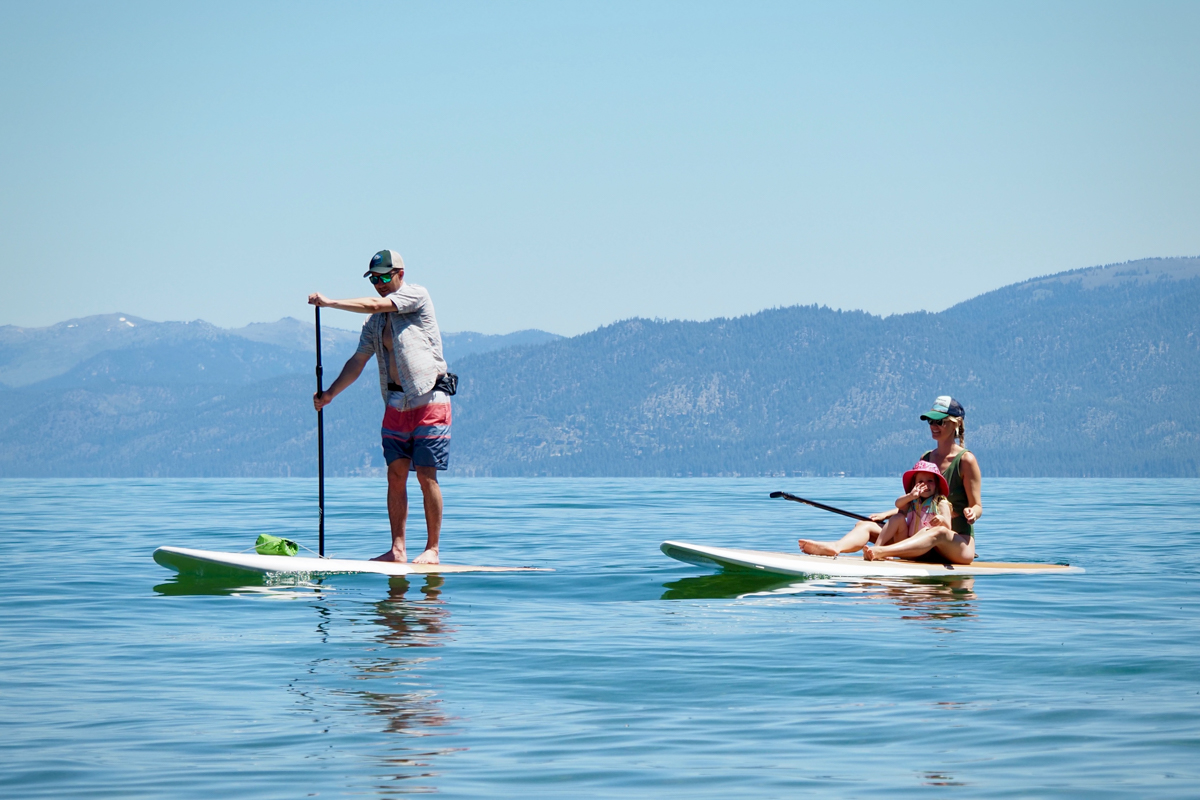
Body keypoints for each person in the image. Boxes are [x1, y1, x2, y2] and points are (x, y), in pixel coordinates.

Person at [308, 249, 452, 564]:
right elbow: (357, 361)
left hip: (430, 396)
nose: (380, 283)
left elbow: (375, 303)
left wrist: (330, 303)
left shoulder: (417, 296)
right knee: (395, 473)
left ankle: (432, 549)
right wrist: (330, 393)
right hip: (396, 401)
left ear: (401, 273)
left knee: (426, 474)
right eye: (374, 278)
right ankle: (397, 549)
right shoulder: (375, 324)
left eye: (385, 276)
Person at [798, 395, 982, 564]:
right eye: (930, 421)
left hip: (955, 544)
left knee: (938, 531)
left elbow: (977, 506)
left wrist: (972, 513)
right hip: (919, 539)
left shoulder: (966, 460)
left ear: (955, 424)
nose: (933, 426)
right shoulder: (925, 459)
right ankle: (835, 548)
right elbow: (917, 502)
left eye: (939, 422)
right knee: (867, 525)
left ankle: (880, 552)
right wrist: (886, 515)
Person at [864, 460, 952, 558]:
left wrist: (942, 519)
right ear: (914, 485)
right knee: (897, 518)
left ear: (936, 485)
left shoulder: (941, 503)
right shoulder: (912, 501)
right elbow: (898, 504)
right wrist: (910, 496)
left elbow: (948, 529)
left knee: (926, 531)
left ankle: (884, 552)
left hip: (925, 547)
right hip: (906, 543)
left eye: (930, 481)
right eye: (920, 482)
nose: (925, 484)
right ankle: (877, 547)